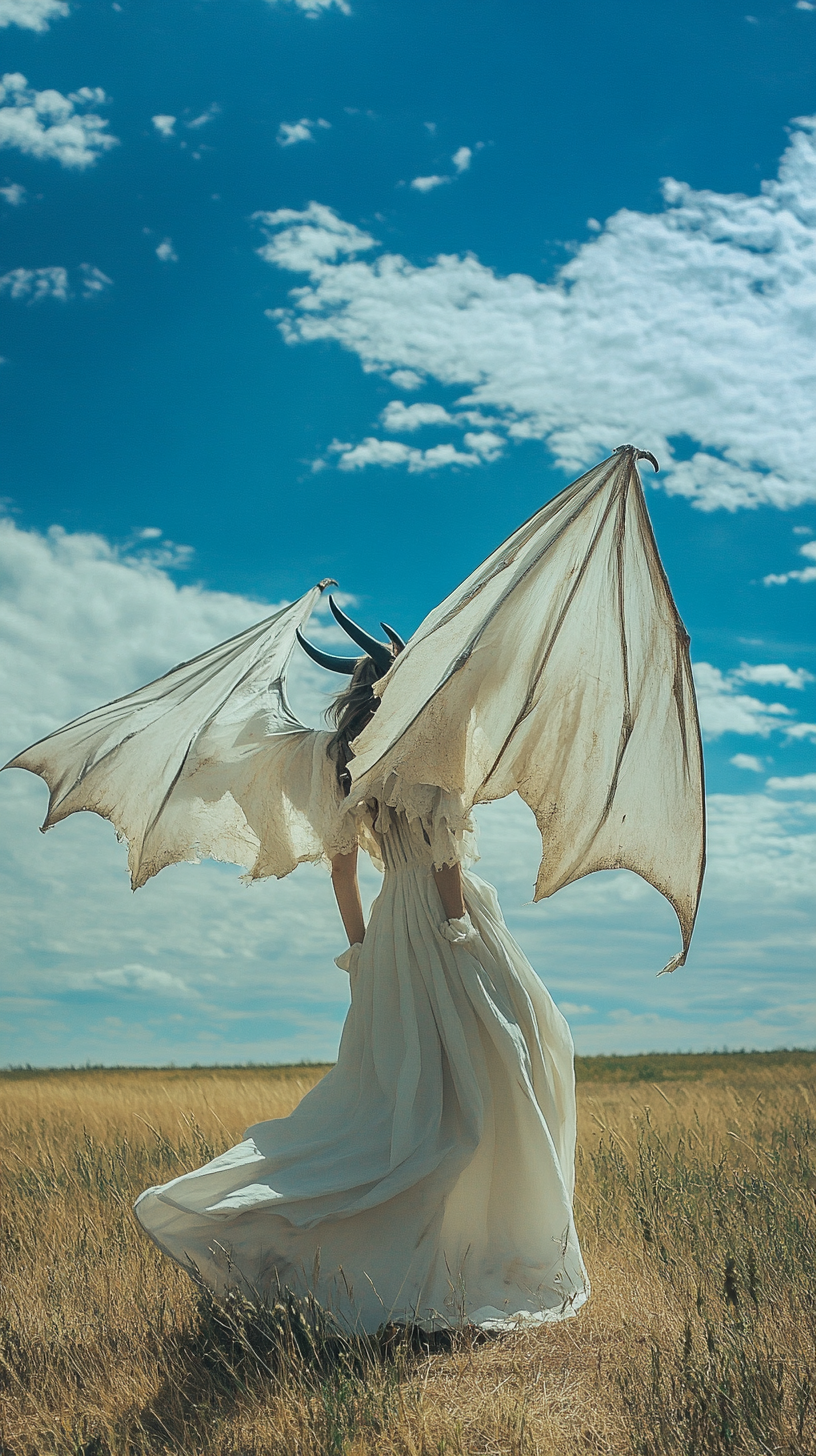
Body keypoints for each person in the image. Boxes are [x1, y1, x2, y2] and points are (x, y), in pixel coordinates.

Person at [133, 608, 590, 1334]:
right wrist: (460, 931)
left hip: (391, 927)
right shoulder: (427, 741)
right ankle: (480, 1242)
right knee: (510, 1061)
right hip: (445, 919)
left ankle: (414, 1238)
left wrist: (363, 951)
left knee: (410, 1091)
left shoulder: (341, 759)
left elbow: (342, 870)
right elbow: (446, 854)